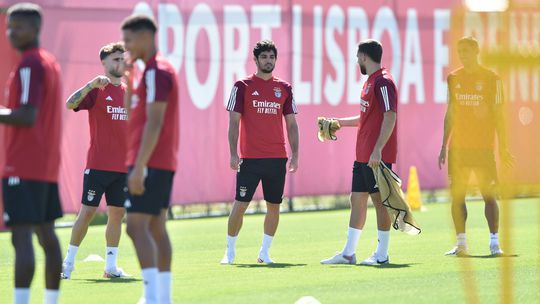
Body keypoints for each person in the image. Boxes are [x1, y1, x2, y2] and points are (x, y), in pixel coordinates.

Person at [0, 3, 63, 303]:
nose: (11, 32)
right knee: (46, 236)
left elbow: (26, 115)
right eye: (9, 27)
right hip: (45, 166)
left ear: (36, 29)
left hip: (23, 166)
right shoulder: (49, 62)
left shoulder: (29, 64)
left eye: (18, 27)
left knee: (21, 237)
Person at [221, 39, 299, 265]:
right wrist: (233, 153)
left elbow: (292, 124)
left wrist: (295, 154)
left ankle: (265, 253)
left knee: (274, 206)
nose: (268, 61)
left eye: (272, 57)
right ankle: (230, 251)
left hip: (277, 158)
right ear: (255, 60)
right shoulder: (242, 86)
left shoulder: (284, 88)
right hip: (250, 159)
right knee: (240, 204)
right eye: (264, 57)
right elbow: (233, 123)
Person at [320, 39, 398, 265]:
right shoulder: (370, 82)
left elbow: (390, 115)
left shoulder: (383, 82)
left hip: (375, 156)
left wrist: (378, 150)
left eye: (357, 58)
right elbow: (365, 118)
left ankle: (382, 255)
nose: (356, 62)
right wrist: (339, 123)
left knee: (379, 202)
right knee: (357, 199)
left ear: (364, 57)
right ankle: (348, 253)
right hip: (363, 154)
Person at [121, 15, 179, 304]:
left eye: (129, 40)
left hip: (151, 161)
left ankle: (154, 296)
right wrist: (130, 81)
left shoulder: (158, 71)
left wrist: (140, 166)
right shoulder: (148, 72)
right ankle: (161, 296)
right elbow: (133, 115)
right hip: (153, 160)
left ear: (146, 37)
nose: (126, 46)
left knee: (134, 226)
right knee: (155, 227)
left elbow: (155, 123)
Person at [439, 36, 513, 256]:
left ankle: (494, 243)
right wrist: (444, 145)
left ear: (477, 51)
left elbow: (500, 116)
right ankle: (461, 244)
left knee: (488, 195)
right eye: (460, 51)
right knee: (457, 196)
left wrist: (503, 146)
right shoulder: (453, 78)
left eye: (467, 51)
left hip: (483, 149)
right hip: (458, 149)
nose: (463, 55)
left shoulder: (492, 79)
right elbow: (450, 112)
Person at [61, 42, 130, 279]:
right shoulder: (97, 90)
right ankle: (68, 264)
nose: (120, 63)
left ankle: (110, 267)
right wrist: (90, 84)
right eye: (115, 59)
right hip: (98, 166)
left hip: (122, 169)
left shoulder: (129, 93)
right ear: (104, 63)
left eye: (122, 58)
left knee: (117, 214)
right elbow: (70, 103)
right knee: (87, 212)